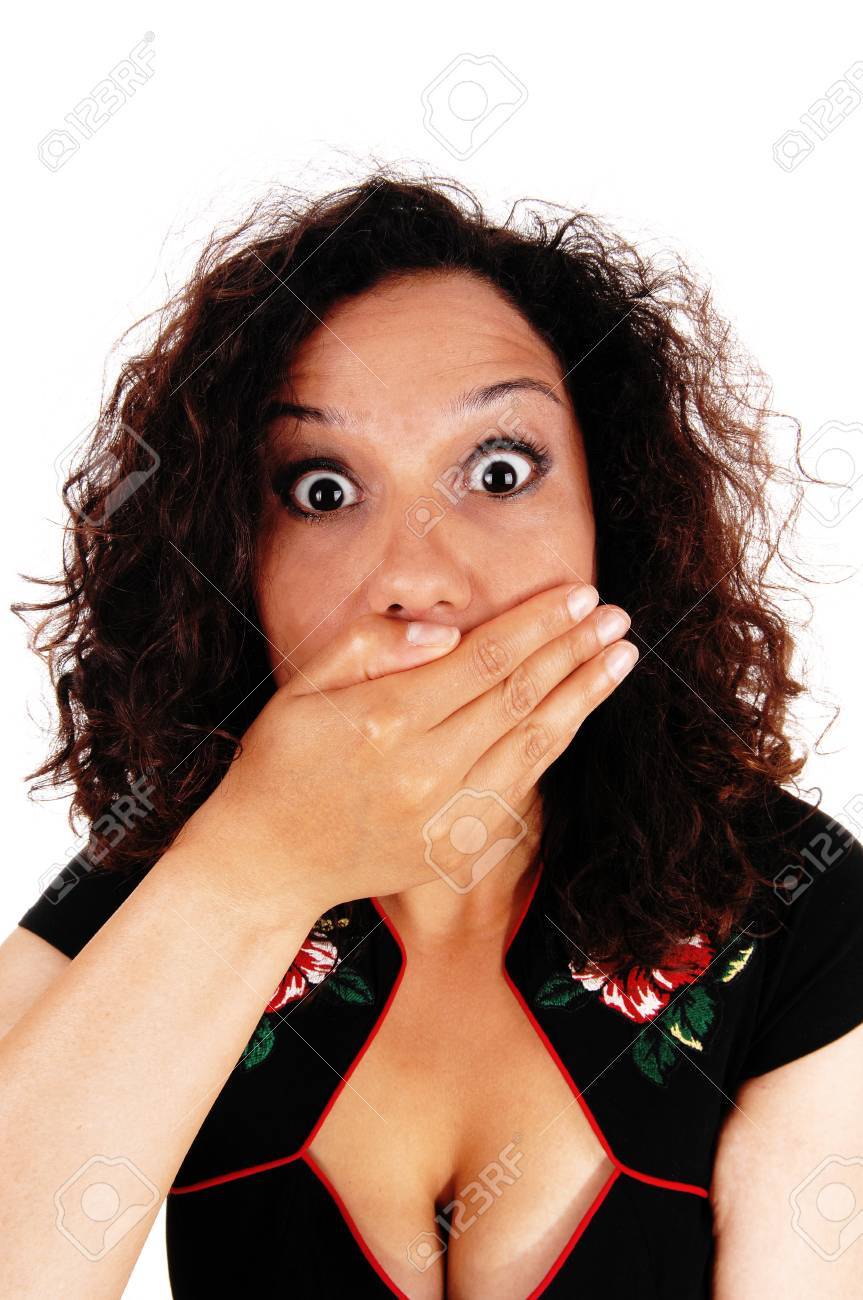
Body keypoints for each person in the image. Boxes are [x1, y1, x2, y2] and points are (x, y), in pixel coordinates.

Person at [1, 169, 862, 1299]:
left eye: (499, 472)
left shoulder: (792, 906)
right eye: (321, 490)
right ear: (232, 555)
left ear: (611, 517)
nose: (414, 577)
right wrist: (255, 863)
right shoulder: (157, 884)